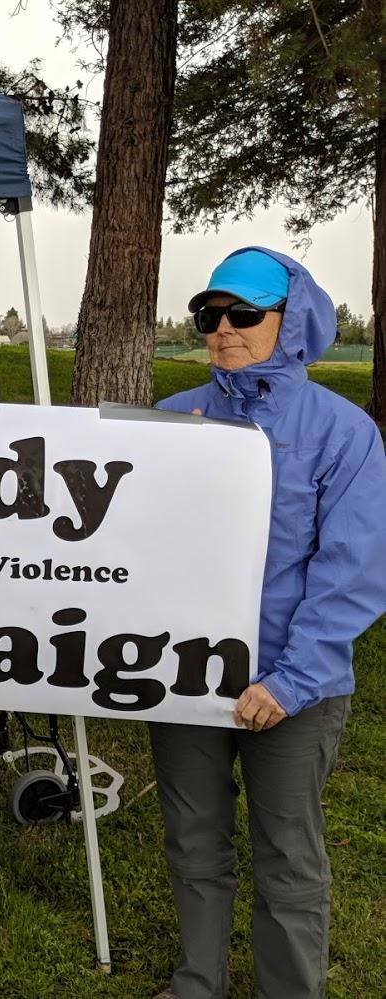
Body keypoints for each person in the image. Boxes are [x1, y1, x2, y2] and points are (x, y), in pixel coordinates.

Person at [150, 248, 386, 999]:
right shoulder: (167, 420)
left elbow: (353, 573)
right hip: (183, 677)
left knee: (287, 852)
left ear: (294, 323)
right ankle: (199, 983)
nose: (222, 327)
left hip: (292, 688)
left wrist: (292, 679)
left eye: (244, 313)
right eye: (209, 313)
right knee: (194, 840)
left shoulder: (345, 434)